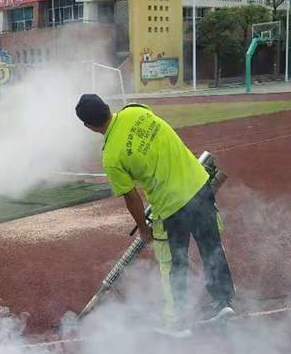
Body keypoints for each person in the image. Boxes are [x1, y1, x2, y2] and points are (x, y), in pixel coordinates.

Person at [75, 94, 235, 326]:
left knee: (172, 262)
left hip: (170, 205)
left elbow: (132, 198)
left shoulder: (111, 156)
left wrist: (143, 229)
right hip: (199, 185)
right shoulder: (136, 110)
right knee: (211, 248)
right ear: (107, 107)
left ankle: (178, 321)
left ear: (89, 126)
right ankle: (224, 303)